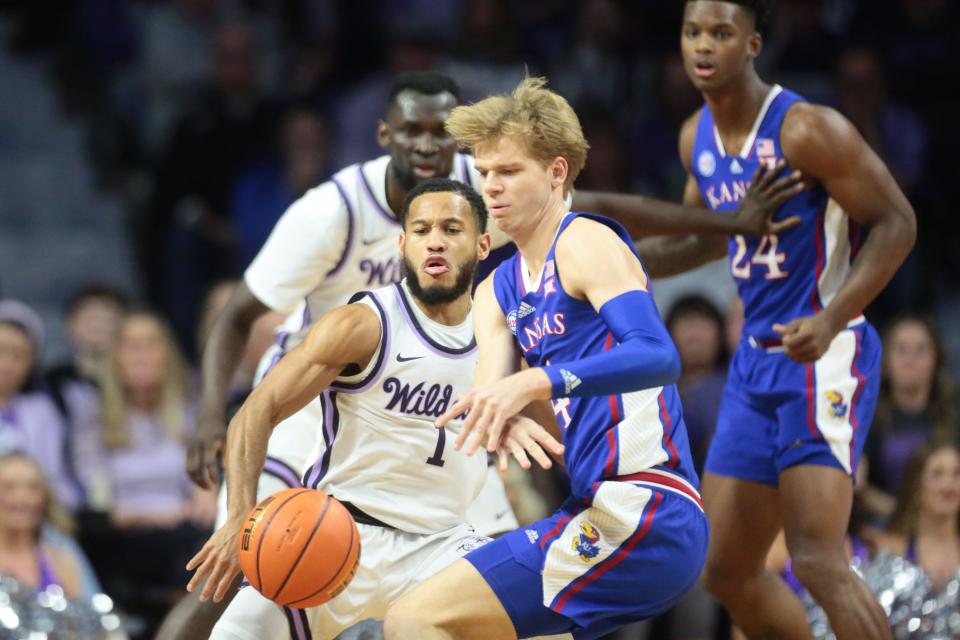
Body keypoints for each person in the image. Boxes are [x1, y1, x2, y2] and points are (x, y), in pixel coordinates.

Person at [384, 77, 708, 640]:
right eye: (484, 173)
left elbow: (659, 355)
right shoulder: (495, 288)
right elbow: (492, 387)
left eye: (509, 171)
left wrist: (537, 382)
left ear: (557, 173)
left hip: (649, 508)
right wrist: (497, 416)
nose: (492, 188)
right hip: (594, 509)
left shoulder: (583, 241)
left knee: (413, 620)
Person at [635, 2, 917, 638]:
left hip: (824, 350)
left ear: (754, 43)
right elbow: (706, 239)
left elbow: (899, 223)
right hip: (755, 361)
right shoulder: (694, 137)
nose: (703, 46)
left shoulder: (807, 129)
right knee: (726, 569)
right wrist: (620, 261)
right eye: (691, 32)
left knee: (817, 560)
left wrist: (831, 316)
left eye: (721, 33)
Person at [186, 178, 563, 639]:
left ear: (484, 244)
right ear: (402, 244)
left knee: (547, 625)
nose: (435, 242)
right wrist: (238, 516)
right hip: (337, 534)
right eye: (421, 230)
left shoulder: (506, 336)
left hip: (442, 545)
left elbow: (558, 438)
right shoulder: (363, 324)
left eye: (451, 228)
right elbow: (256, 410)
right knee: (235, 634)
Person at [862, 314, 958, 520]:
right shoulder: (867, 417)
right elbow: (859, 485)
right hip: (884, 523)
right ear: (885, 361)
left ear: (936, 359)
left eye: (920, 350)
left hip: (947, 522)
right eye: (901, 349)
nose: (910, 359)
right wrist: (902, 515)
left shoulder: (954, 414)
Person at [0, 300, 83, 511]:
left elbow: (54, 479)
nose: (6, 364)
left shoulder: (41, 410)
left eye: (17, 355)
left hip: (34, 520)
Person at [878, 441, 960, 593]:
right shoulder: (892, 549)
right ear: (916, 485)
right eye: (937, 474)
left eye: (957, 474)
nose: (948, 485)